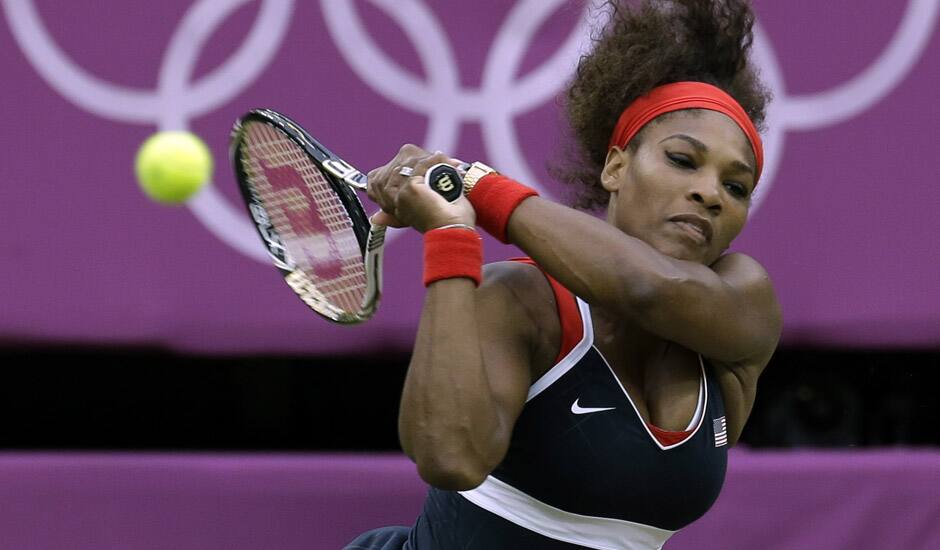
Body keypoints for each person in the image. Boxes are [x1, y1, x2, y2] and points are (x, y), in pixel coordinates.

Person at [347, 0, 780, 548]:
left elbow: (648, 289)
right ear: (615, 166)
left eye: (736, 187)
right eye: (682, 160)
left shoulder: (743, 305)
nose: (710, 193)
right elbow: (450, 456)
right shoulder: (521, 300)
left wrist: (478, 185)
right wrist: (453, 238)